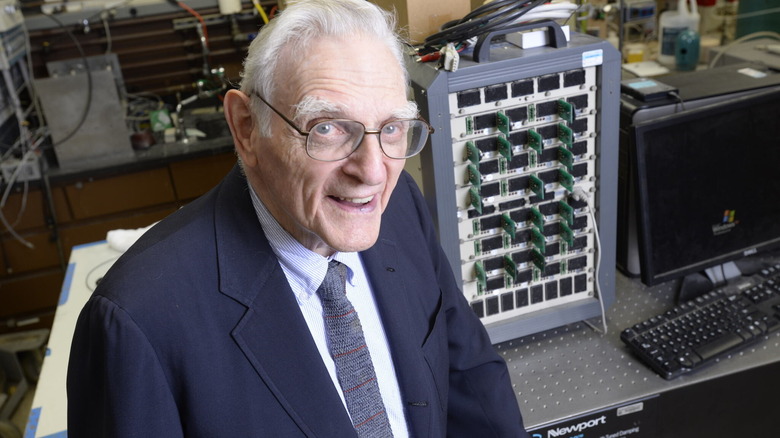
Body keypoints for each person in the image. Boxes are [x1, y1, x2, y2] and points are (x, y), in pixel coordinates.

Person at [67, 0, 531, 436]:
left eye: (391, 128)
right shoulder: (137, 322)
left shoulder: (400, 202)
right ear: (246, 128)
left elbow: (469, 372)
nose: (372, 172)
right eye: (327, 128)